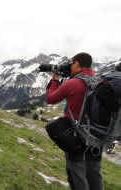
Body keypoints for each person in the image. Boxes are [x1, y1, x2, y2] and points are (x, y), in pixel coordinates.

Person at [46, 52, 103, 190]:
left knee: (76, 171)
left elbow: (51, 99)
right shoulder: (100, 81)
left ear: (77, 63)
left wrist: (55, 80)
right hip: (97, 134)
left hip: (76, 134)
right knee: (94, 172)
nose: (70, 66)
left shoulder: (73, 83)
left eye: (72, 63)